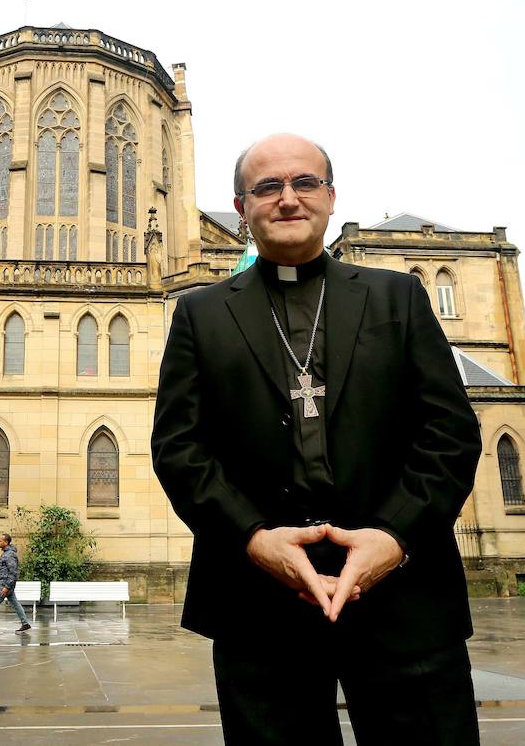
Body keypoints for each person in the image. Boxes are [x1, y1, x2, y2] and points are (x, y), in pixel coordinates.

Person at [151, 133, 483, 744]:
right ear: (240, 204)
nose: (287, 199)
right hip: (259, 602)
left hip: (403, 595)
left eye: (304, 183)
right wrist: (253, 540)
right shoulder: (199, 313)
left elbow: (451, 432)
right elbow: (179, 448)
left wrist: (394, 536)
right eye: (267, 187)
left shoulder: (398, 296)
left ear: (330, 197)